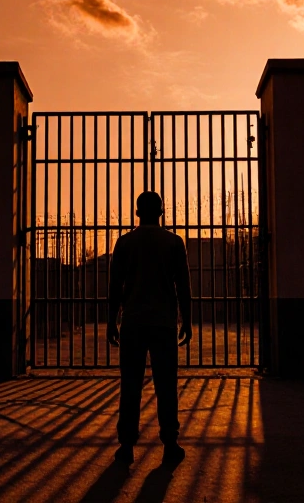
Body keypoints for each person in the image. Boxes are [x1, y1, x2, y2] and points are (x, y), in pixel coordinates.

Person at [107, 191, 192, 467]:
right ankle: (170, 443)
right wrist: (187, 321)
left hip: (132, 323)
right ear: (162, 211)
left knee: (130, 385)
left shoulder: (124, 243)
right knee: (166, 385)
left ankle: (126, 447)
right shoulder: (173, 243)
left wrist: (111, 321)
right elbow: (184, 286)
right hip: (163, 324)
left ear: (137, 212)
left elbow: (115, 287)